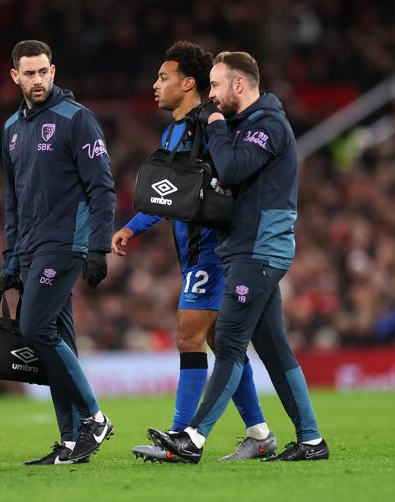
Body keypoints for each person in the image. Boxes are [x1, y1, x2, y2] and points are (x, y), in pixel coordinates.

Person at [148, 51, 329, 463]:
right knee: (274, 349)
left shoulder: (266, 125)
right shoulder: (245, 125)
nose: (210, 95)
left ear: (240, 84)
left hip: (259, 250)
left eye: (215, 85)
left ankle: (192, 437)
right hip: (245, 250)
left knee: (228, 340)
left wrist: (213, 125)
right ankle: (312, 440)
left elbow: (230, 169)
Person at [111, 42, 277, 462]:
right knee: (223, 344)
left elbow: (230, 181)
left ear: (189, 83)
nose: (155, 86)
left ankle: (180, 436)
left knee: (189, 334)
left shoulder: (211, 126)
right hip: (193, 252)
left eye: (163, 78)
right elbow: (171, 197)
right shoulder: (172, 132)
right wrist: (133, 226)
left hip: (215, 251)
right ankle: (259, 433)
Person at [0, 40, 115, 465]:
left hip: (66, 243)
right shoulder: (11, 128)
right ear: (15, 76)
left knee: (35, 330)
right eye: (29, 73)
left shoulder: (77, 119)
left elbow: (101, 186)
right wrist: (10, 261)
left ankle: (95, 419)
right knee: (57, 337)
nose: (37, 80)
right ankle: (69, 442)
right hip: (30, 249)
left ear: (54, 70)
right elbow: (14, 199)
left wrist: (99, 246)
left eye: (43, 71)